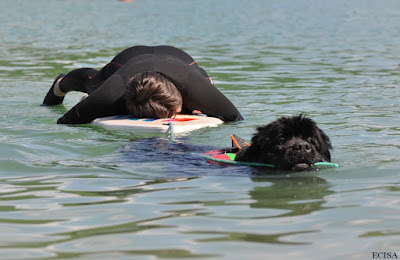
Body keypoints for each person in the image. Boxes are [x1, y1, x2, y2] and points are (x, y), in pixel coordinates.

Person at [43, 45, 244, 124]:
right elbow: (64, 121)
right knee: (92, 83)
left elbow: (236, 119)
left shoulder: (194, 88)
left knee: (207, 83)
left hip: (182, 62)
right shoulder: (112, 93)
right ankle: (60, 82)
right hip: (126, 62)